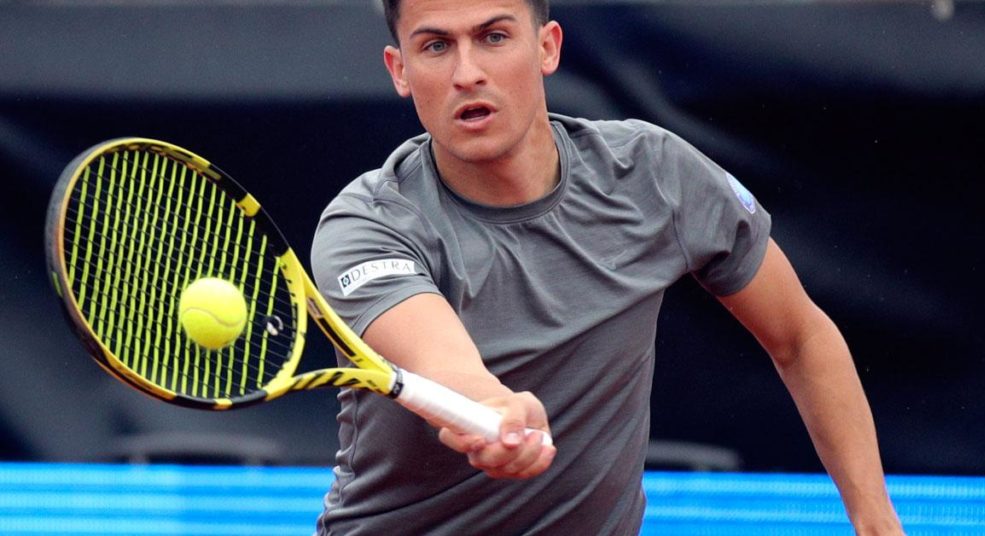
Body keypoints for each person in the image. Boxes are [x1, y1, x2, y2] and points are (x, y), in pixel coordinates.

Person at [310, 0, 904, 533]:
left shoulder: (655, 174)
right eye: (437, 46)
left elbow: (801, 337)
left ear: (547, 48)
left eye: (493, 37)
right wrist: (491, 406)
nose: (467, 73)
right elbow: (444, 364)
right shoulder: (366, 225)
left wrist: (876, 521)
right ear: (400, 70)